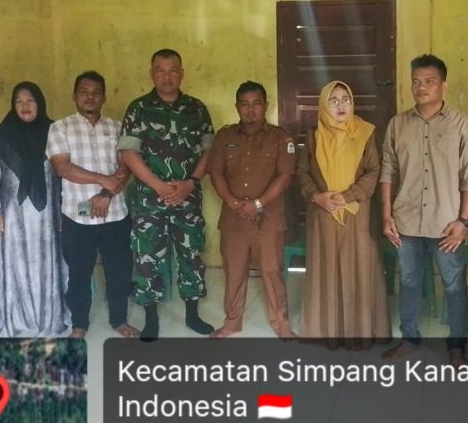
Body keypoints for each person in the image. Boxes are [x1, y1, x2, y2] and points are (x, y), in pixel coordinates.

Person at [381, 54, 468, 365]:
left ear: (443, 85)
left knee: (454, 284)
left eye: (429, 81)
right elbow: (388, 171)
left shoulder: (462, 126)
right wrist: (386, 215)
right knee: (409, 281)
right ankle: (409, 339)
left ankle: (456, 347)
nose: (421, 87)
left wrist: (464, 222)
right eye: (415, 82)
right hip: (406, 220)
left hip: (447, 224)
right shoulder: (397, 124)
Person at [120, 49, 215, 341]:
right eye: (160, 70)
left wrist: (190, 182)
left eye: (173, 70)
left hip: (188, 198)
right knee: (148, 258)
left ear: (181, 73)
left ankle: (192, 315)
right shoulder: (138, 108)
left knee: (191, 255)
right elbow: (128, 153)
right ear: (152, 74)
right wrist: (158, 186)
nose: (167, 77)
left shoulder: (197, 109)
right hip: (150, 200)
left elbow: (209, 151)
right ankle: (151, 319)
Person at [296, 80, 389, 348]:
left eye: (345, 99)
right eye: (334, 100)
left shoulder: (366, 133)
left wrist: (348, 195)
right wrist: (317, 196)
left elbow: (375, 170)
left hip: (356, 213)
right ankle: (326, 331)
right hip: (322, 213)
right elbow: (301, 171)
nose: (341, 105)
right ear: (324, 105)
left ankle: (360, 332)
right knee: (325, 269)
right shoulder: (314, 136)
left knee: (359, 268)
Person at [46, 71, 135, 339]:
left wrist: (106, 194)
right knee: (79, 274)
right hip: (78, 215)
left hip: (115, 213)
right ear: (74, 97)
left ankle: (119, 320)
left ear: (104, 97)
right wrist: (102, 179)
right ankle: (79, 324)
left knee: (119, 271)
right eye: (84, 92)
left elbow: (127, 166)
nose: (90, 97)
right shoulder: (60, 128)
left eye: (96, 92)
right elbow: (62, 168)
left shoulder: (117, 128)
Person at [207, 81, 297, 338]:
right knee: (234, 273)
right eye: (245, 104)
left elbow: (285, 176)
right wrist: (233, 202)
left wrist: (257, 204)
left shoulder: (281, 138)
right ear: (237, 107)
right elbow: (216, 172)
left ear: (265, 106)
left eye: (256, 104)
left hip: (268, 219)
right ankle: (232, 322)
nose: (250, 110)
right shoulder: (224, 137)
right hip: (234, 219)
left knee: (272, 272)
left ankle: (281, 324)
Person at [0, 82, 68, 337]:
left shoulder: (54, 132)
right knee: (16, 266)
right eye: (19, 101)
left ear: (39, 102)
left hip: (47, 218)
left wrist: (66, 209)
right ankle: (18, 321)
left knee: (46, 263)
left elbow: (64, 175)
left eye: (30, 100)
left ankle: (47, 318)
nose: (25, 106)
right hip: (12, 218)